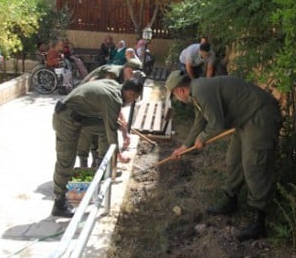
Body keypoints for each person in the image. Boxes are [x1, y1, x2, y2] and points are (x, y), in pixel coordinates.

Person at [165, 71, 282, 241]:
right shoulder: (197, 92)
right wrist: (184, 147)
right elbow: (200, 121)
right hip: (245, 119)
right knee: (233, 161)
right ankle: (231, 202)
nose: (177, 99)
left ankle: (259, 223)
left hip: (259, 115)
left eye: (175, 96)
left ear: (180, 91)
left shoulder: (201, 92)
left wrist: (202, 138)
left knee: (254, 166)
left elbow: (216, 125)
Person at [50, 78, 144, 217]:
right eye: (134, 98)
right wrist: (118, 155)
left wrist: (123, 130)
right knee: (66, 160)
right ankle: (59, 203)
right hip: (66, 119)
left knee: (105, 130)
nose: (132, 102)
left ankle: (100, 168)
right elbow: (111, 131)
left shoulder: (115, 86)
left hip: (80, 117)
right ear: (130, 93)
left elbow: (111, 124)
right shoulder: (113, 98)